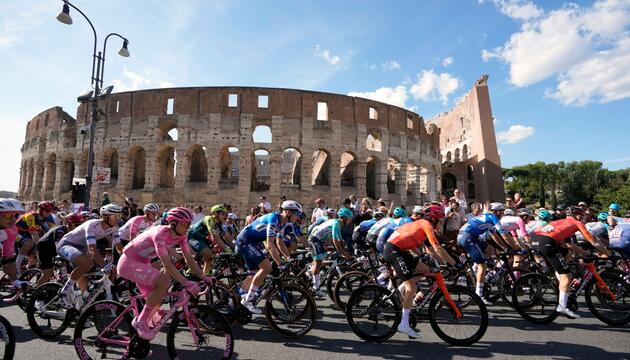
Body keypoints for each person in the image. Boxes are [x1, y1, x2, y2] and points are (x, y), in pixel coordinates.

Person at [118, 207, 214, 339]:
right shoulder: (159, 234)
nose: (188, 227)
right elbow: (167, 265)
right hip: (128, 262)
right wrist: (187, 283)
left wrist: (203, 276)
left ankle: (137, 339)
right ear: (173, 223)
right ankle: (140, 322)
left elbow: (188, 258)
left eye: (189, 224)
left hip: (144, 262)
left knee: (157, 300)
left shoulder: (182, 235)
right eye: (185, 224)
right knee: (164, 281)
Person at [383, 205, 459, 339]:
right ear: (434, 219)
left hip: (400, 249)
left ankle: (400, 290)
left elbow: (421, 246)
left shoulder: (422, 224)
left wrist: (429, 259)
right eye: (440, 220)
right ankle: (404, 324)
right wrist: (454, 264)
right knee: (411, 287)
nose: (441, 223)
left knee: (425, 269)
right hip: (393, 250)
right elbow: (437, 248)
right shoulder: (427, 225)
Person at [532, 206, 610, 318]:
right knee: (567, 276)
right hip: (546, 242)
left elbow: (570, 245)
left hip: (536, 239)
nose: (583, 219)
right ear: (578, 216)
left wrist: (585, 253)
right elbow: (594, 242)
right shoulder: (577, 223)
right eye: (582, 217)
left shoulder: (560, 221)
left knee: (567, 253)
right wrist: (609, 254)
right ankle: (562, 306)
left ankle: (559, 276)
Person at [236, 200, 302, 313]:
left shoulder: (283, 223)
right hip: (246, 240)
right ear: (289, 212)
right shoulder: (274, 218)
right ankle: (248, 300)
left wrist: (288, 258)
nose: (298, 218)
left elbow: (279, 242)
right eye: (297, 214)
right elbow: (270, 244)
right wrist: (280, 264)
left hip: (253, 242)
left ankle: (236, 298)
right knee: (267, 268)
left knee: (254, 272)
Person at [56, 204, 124, 308]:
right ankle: (64, 292)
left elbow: (119, 247)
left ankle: (80, 308)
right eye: (115, 216)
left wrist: (128, 259)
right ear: (105, 217)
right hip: (67, 244)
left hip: (81, 247)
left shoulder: (114, 228)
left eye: (119, 216)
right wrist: (105, 265)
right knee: (88, 263)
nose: (118, 219)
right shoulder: (92, 225)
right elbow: (92, 249)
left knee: (84, 276)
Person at [457, 202, 506, 305]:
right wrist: (509, 248)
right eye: (502, 212)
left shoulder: (487, 216)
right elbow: (504, 236)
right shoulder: (493, 217)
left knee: (490, 247)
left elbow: (493, 237)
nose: (503, 215)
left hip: (468, 235)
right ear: (497, 212)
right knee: (482, 266)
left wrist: (503, 248)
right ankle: (479, 295)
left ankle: (474, 267)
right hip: (467, 237)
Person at [307, 207, 355, 296]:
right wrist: (343, 253)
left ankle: (310, 272)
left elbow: (340, 241)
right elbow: (335, 241)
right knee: (318, 262)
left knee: (321, 262)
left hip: (319, 241)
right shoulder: (336, 223)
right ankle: (315, 288)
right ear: (344, 218)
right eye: (349, 219)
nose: (350, 221)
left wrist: (345, 251)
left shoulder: (338, 224)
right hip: (314, 239)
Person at [35, 213, 85, 287]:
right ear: (69, 224)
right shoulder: (60, 230)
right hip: (44, 248)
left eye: (81, 225)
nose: (80, 227)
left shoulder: (75, 232)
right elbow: (59, 246)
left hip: (55, 247)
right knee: (48, 272)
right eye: (77, 225)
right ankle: (36, 291)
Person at [188, 204, 234, 275]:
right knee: (209, 254)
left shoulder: (218, 223)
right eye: (223, 214)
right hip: (192, 237)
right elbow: (214, 236)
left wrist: (234, 246)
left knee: (210, 257)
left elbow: (225, 236)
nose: (226, 216)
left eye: (226, 214)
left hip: (201, 238)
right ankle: (192, 268)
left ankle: (206, 275)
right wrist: (226, 247)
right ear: (216, 214)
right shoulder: (209, 219)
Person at [15, 201, 56, 272]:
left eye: (50, 211)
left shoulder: (49, 217)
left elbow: (53, 230)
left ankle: (29, 269)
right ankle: (16, 267)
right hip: (16, 232)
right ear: (40, 210)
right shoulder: (30, 216)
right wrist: (39, 248)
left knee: (34, 256)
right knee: (29, 244)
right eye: (47, 211)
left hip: (28, 233)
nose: (49, 213)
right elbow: (34, 234)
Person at [0, 198, 28, 292]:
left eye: (16, 215)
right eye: (8, 215)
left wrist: (15, 281)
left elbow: (8, 258)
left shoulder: (12, 230)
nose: (13, 219)